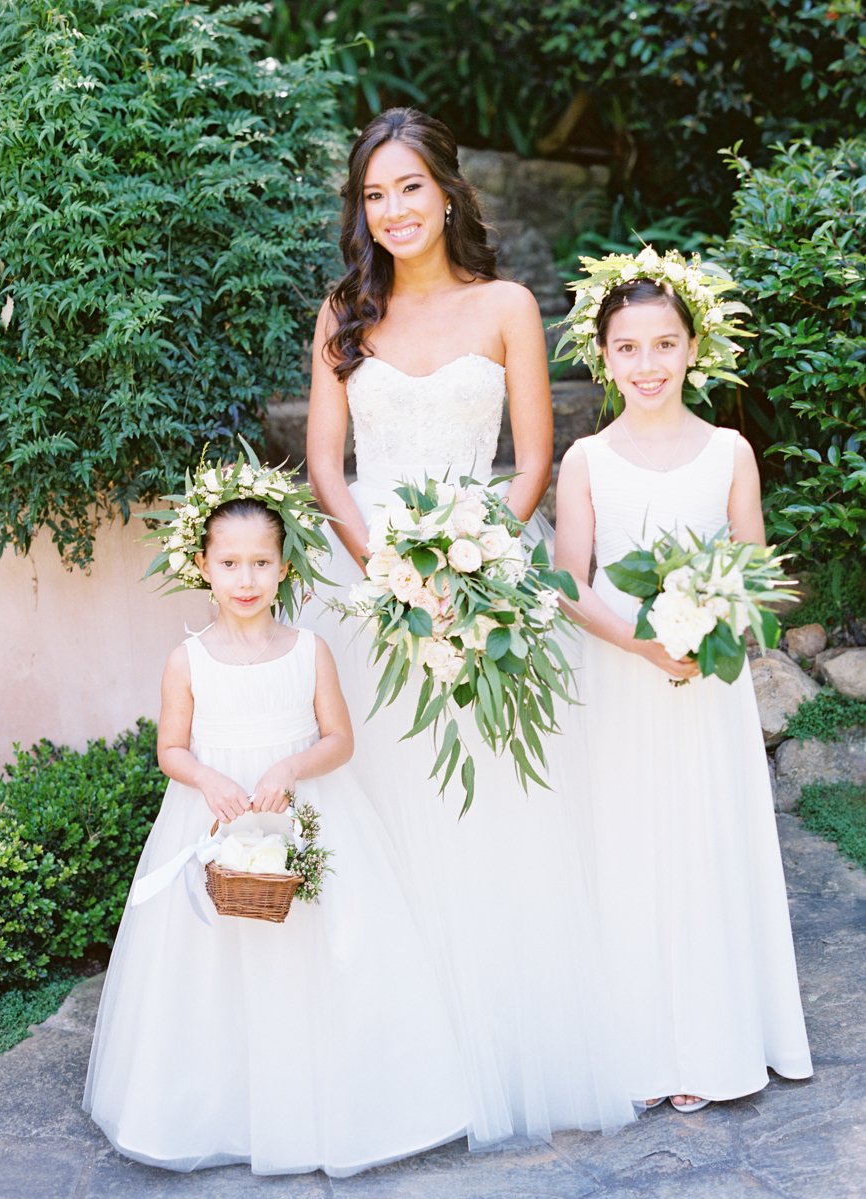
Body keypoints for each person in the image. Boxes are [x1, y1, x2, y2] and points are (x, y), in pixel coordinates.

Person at [302, 106, 637, 1143]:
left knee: (490, 810)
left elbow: (532, 459)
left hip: (485, 576)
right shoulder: (342, 313)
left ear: (448, 191)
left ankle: (493, 1041)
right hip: (371, 586)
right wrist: (391, 572)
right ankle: (386, 1059)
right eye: (375, 194)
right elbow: (325, 464)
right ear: (362, 209)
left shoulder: (506, 305)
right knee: (378, 809)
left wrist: (475, 562)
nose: (395, 209)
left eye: (410, 187)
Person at [83, 452, 470, 1176]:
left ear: (285, 567)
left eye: (261, 562)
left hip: (307, 815)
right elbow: (170, 746)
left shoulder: (309, 650)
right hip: (216, 815)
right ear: (202, 564)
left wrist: (291, 765)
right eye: (230, 563)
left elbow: (340, 738)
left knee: (317, 953)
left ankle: (330, 1101)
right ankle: (229, 1106)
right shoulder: (187, 658)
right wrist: (206, 776)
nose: (246, 579)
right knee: (216, 968)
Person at [554, 252, 813, 1112]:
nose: (650, 363)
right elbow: (569, 582)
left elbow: (757, 567)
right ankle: (639, 1051)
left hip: (706, 684)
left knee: (705, 846)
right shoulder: (587, 459)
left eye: (666, 343)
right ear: (605, 357)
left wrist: (718, 625)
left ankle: (713, 1039)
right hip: (624, 678)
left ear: (695, 346)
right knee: (627, 848)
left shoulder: (729, 452)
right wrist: (642, 643)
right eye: (629, 348)